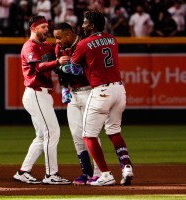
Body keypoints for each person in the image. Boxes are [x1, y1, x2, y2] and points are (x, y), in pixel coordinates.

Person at [61, 10, 134, 186]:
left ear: (92, 25)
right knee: (114, 131)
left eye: (85, 23)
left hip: (101, 91)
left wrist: (61, 66)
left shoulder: (84, 43)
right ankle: (127, 167)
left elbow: (73, 67)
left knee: (88, 135)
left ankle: (105, 174)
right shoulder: (112, 39)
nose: (83, 26)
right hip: (119, 90)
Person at [13, 15, 71, 185]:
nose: (47, 30)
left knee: (41, 136)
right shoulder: (29, 46)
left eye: (47, 26)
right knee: (52, 132)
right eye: (43, 27)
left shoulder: (46, 46)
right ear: (33, 28)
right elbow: (38, 67)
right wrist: (57, 62)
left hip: (43, 94)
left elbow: (59, 54)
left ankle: (23, 171)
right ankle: (51, 174)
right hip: (35, 93)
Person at [53, 22, 102, 185]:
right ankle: (86, 173)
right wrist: (63, 86)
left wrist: (69, 66)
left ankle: (100, 172)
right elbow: (57, 70)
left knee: (91, 133)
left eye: (59, 38)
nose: (57, 42)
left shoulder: (84, 44)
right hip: (73, 94)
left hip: (89, 91)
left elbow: (92, 69)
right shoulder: (59, 49)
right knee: (76, 135)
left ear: (68, 34)